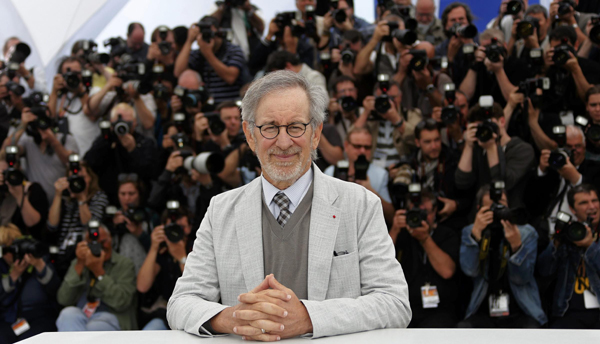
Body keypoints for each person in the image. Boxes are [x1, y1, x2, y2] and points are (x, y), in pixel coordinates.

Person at [167, 70, 411, 340]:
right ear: (250, 135)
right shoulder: (220, 210)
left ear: (316, 133)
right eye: (270, 127)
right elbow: (181, 302)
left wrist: (308, 318)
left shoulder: (361, 205)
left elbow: (395, 303)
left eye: (295, 127)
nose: (284, 143)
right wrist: (234, 318)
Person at [458, 185, 547, 328]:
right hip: (483, 309)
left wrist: (516, 247)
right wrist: (475, 237)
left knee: (532, 331)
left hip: (520, 309)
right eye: (491, 208)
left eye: (502, 206)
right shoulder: (471, 231)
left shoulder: (526, 233)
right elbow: (470, 270)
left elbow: (521, 278)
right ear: (479, 209)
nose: (497, 211)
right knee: (464, 328)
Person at [389, 188, 460, 328]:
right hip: (405, 308)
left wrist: (425, 239)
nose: (419, 218)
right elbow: (379, 264)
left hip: (440, 310)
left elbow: (447, 271)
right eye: (414, 212)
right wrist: (394, 230)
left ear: (434, 211)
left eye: (424, 212)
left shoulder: (447, 234)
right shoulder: (401, 234)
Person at [537, 184, 600, 329]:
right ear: (572, 209)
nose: (592, 206)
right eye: (583, 202)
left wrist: (591, 245)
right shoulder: (569, 234)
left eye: (595, 200)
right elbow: (544, 270)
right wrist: (558, 241)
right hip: (568, 312)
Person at [455, 100, 534, 212]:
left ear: (502, 121)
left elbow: (504, 183)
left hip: (512, 216)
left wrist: (492, 148)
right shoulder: (478, 148)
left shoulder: (523, 150)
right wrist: (468, 146)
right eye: (480, 127)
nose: (485, 131)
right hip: (480, 216)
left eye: (488, 125)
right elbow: (462, 182)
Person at [55, 224, 137, 331]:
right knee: (67, 314)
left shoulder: (124, 264)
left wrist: (99, 273)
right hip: (82, 317)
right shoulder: (79, 262)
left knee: (93, 327)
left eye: (103, 242)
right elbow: (63, 299)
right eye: (93, 244)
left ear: (111, 239)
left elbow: (122, 301)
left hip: (112, 318)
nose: (99, 247)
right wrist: (79, 264)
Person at [84, 103, 157, 205]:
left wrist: (133, 150)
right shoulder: (105, 141)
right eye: (118, 123)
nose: (122, 127)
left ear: (135, 123)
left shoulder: (145, 142)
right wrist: (106, 140)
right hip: (108, 200)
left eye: (127, 123)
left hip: (139, 200)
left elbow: (150, 173)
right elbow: (89, 163)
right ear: (111, 123)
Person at [0, 224, 61, 344]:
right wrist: (14, 275)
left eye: (13, 248)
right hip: (11, 318)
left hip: (40, 317)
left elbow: (56, 290)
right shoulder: (2, 265)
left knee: (29, 340)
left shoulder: (37, 256)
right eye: (6, 250)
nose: (10, 254)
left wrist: (39, 265)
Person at [47, 160, 109, 277]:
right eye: (73, 178)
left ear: (91, 178)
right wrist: (58, 194)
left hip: (83, 255)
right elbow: (52, 225)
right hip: (61, 255)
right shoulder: (67, 201)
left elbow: (90, 226)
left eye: (82, 178)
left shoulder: (99, 197)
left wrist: (81, 198)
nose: (77, 182)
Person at [137, 205, 192, 331]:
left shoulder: (196, 247)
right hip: (165, 313)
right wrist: (154, 247)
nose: (175, 232)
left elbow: (199, 284)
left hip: (191, 311)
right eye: (171, 228)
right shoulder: (162, 252)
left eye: (181, 228)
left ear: (189, 228)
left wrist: (182, 258)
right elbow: (142, 286)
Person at [324, 126, 394, 223]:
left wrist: (371, 191)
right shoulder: (331, 172)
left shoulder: (381, 174)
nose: (362, 151)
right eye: (357, 146)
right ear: (346, 146)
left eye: (367, 147)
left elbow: (390, 215)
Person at [175, 16, 248, 104]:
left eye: (210, 32)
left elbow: (230, 77)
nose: (208, 36)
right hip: (206, 106)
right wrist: (189, 40)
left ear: (219, 32)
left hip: (230, 106)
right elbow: (179, 73)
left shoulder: (233, 50)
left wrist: (208, 53)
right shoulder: (198, 53)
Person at [0, 159, 48, 241]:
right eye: (1, 174)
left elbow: (34, 224)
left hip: (25, 244)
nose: (4, 177)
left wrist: (19, 194)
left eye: (7, 173)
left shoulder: (32, 190)